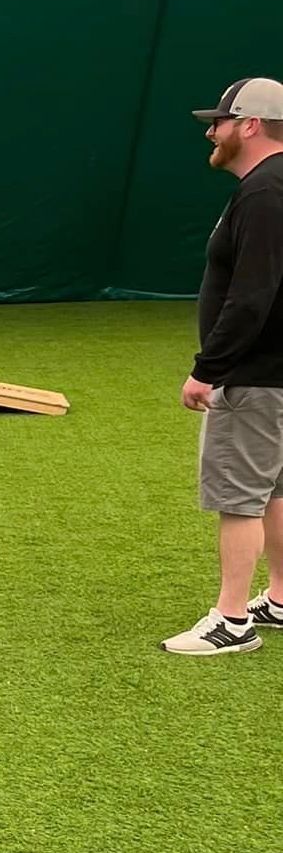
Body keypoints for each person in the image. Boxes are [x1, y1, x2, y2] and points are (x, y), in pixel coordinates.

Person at [162, 78, 283, 654]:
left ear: (251, 125)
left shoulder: (265, 192)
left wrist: (209, 368)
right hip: (275, 373)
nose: (211, 132)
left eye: (220, 121)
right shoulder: (272, 188)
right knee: (275, 491)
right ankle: (281, 600)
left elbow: (251, 294)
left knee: (240, 497)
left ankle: (231, 621)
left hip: (257, 376)